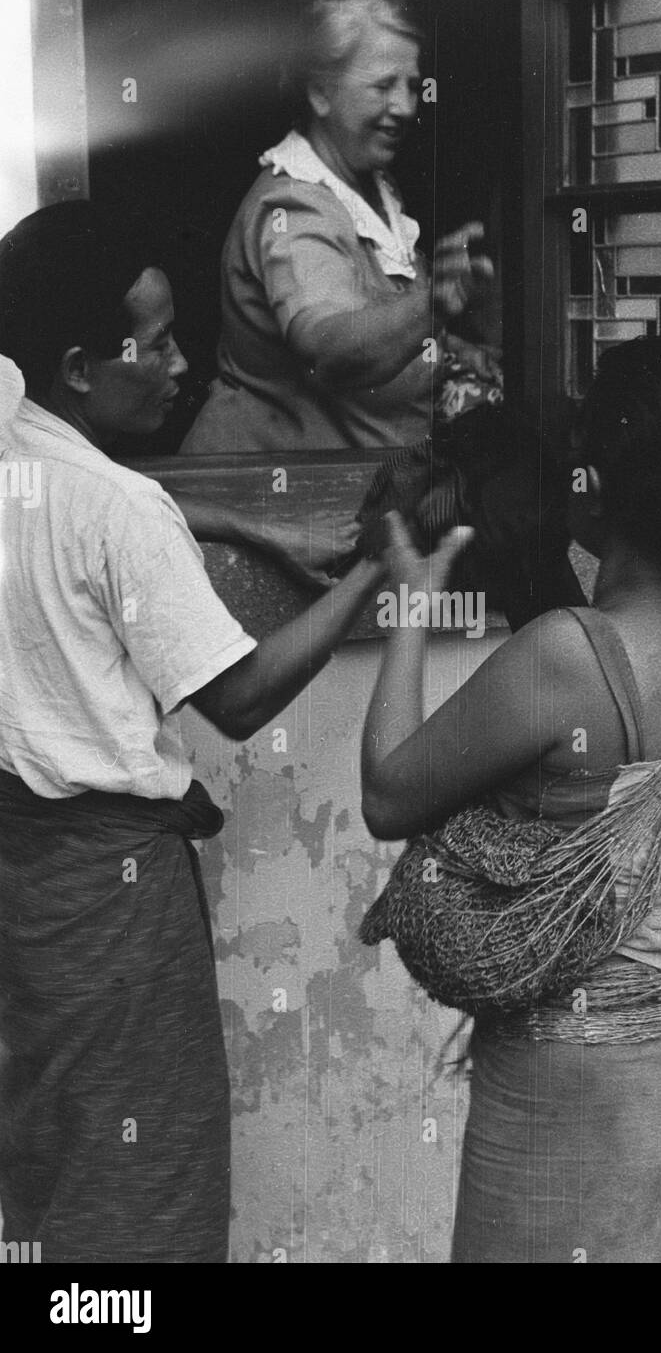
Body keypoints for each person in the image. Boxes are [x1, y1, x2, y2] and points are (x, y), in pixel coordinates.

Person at [0, 200, 386, 1263]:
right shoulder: (121, 513)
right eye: (158, 343)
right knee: (144, 1167)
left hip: (23, 874)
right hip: (113, 886)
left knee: (48, 1143)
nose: (182, 363)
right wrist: (376, 571)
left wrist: (206, 515)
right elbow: (242, 696)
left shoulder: (17, 436)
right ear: (81, 366)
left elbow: (79, 496)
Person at [361, 338, 661, 1264]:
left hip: (587, 1069)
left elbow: (389, 793)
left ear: (597, 489)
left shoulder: (562, 655)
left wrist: (411, 610)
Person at [180, 0, 496, 456]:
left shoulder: (369, 187)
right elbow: (329, 348)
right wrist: (429, 306)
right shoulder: (294, 206)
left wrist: (453, 346)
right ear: (321, 93)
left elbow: (378, 311)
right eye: (384, 85)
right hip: (285, 500)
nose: (407, 106)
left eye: (412, 85)